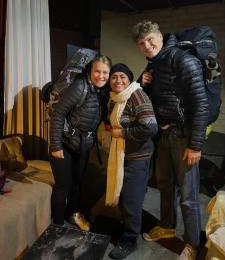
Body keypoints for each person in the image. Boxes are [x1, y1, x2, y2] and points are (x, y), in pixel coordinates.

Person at [131, 20, 209, 259]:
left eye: (150, 39)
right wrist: (142, 82)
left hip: (183, 136)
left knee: (188, 195)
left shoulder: (182, 60)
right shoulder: (154, 64)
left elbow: (201, 104)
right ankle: (166, 227)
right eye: (142, 43)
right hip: (164, 134)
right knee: (165, 185)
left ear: (160, 37)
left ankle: (193, 244)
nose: (147, 45)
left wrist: (195, 145)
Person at [49, 55, 112, 230]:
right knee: (63, 187)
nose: (101, 76)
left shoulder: (103, 91)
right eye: (97, 71)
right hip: (63, 144)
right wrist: (55, 145)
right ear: (90, 71)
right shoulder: (79, 87)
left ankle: (74, 215)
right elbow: (58, 114)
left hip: (83, 145)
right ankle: (58, 226)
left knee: (77, 184)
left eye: (105, 72)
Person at [105, 63, 158, 259]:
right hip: (122, 154)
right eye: (114, 77)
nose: (118, 80)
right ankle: (129, 224)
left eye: (123, 77)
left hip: (138, 156)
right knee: (124, 194)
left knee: (130, 199)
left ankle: (130, 239)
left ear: (129, 80)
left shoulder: (136, 95)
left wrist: (123, 133)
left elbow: (151, 127)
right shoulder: (115, 99)